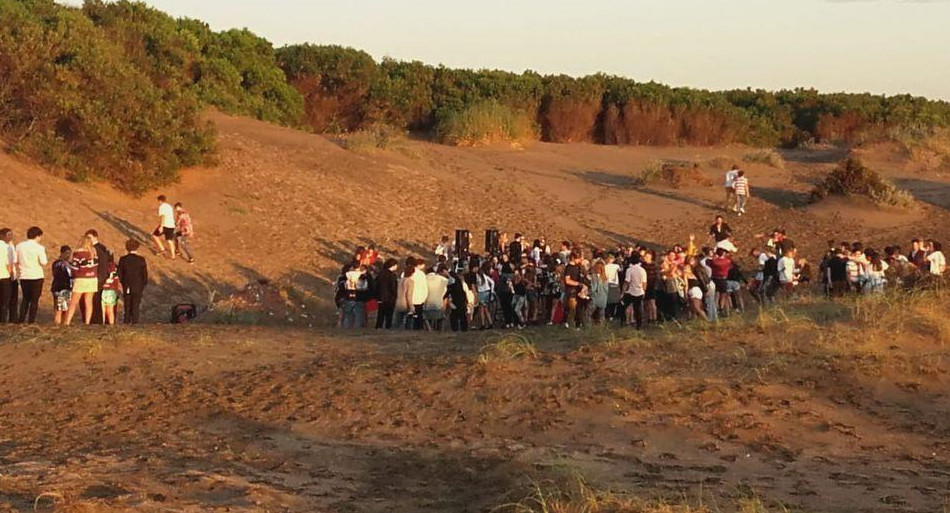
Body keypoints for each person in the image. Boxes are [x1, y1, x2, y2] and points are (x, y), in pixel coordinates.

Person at [64, 234, 99, 326]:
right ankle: (87, 322)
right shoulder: (94, 253)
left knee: (74, 301)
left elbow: (75, 268)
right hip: (92, 278)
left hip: (81, 278)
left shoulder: (78, 253)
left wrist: (70, 267)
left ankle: (67, 322)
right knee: (88, 301)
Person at [15, 227, 47, 324]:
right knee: (34, 300)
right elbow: (44, 262)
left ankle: (21, 318)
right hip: (36, 276)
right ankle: (31, 320)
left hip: (24, 275)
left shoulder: (19, 246)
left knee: (25, 298)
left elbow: (16, 260)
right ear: (37, 236)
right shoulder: (39, 248)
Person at [117, 239, 148, 324]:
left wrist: (123, 282)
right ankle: (135, 322)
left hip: (127, 285)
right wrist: (143, 284)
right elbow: (144, 275)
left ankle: (126, 321)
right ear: (137, 248)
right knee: (135, 305)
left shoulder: (123, 259)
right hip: (138, 286)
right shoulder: (141, 260)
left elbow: (120, 273)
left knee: (127, 305)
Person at [621, 254, 647, 329]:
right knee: (638, 309)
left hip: (630, 291)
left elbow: (627, 282)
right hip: (640, 291)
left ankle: (624, 321)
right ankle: (639, 324)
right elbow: (644, 283)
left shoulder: (629, 270)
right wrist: (644, 291)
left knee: (624, 306)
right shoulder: (642, 270)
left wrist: (623, 292)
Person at [51, 246, 73, 325]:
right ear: (62, 253)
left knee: (65, 308)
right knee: (59, 308)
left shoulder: (69, 264)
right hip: (60, 288)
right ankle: (58, 323)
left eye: (69, 253)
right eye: (66, 253)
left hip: (67, 288)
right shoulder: (59, 264)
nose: (68, 255)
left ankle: (63, 323)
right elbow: (57, 275)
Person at [424, 265, 450, 330]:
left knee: (427, 318)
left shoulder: (424, 278)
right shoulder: (441, 279)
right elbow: (452, 281)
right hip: (438, 303)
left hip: (426, 304)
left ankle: (429, 330)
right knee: (440, 319)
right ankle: (440, 330)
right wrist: (448, 274)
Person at [375, 258, 399, 329]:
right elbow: (393, 287)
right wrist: (394, 296)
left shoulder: (380, 274)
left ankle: (378, 327)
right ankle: (388, 327)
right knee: (389, 315)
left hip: (381, 297)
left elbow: (376, 286)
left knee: (380, 315)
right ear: (393, 266)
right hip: (389, 298)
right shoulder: (392, 275)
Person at [152, 195, 177, 259]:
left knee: (155, 236)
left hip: (165, 225)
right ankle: (173, 255)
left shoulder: (162, 207)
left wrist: (161, 226)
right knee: (169, 240)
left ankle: (162, 249)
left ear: (160, 200)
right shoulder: (169, 206)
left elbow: (163, 216)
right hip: (171, 225)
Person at [0, 228, 15, 323]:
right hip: (4, 276)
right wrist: (11, 275)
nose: (10, 237)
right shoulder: (6, 247)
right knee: (5, 300)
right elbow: (8, 263)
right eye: (8, 235)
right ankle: (3, 320)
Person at [101, 261, 122, 325]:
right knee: (110, 311)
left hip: (103, 290)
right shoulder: (114, 269)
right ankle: (111, 324)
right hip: (111, 291)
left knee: (102, 310)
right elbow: (116, 282)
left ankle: (103, 322)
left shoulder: (102, 267)